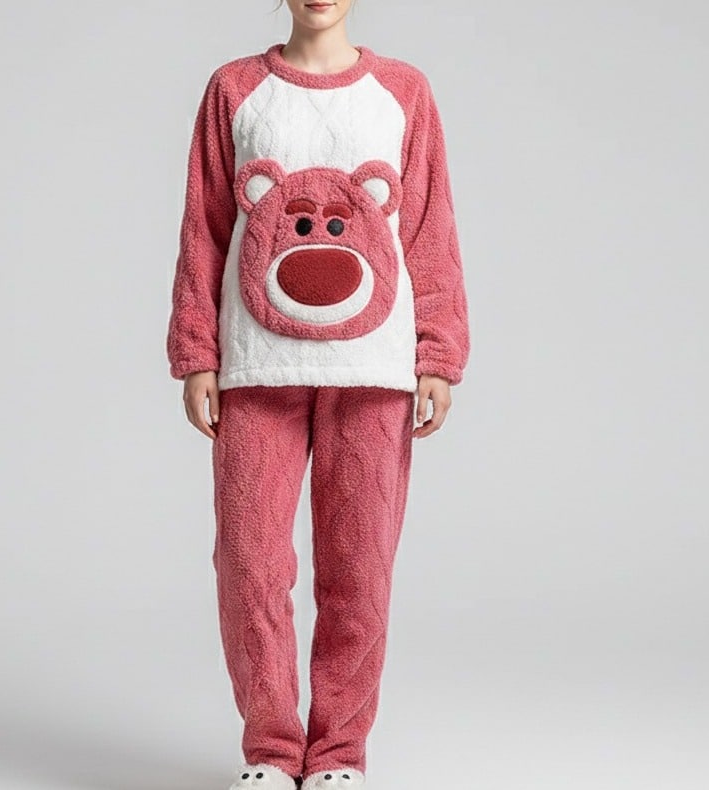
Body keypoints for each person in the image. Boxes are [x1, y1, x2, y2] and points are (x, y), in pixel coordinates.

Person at [165, 2, 470, 789]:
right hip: (255, 365)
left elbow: (427, 226)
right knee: (249, 563)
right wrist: (197, 351)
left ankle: (338, 754)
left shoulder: (404, 91)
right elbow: (206, 224)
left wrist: (438, 352)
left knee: (359, 569)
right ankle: (271, 749)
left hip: (373, 370)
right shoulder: (235, 90)